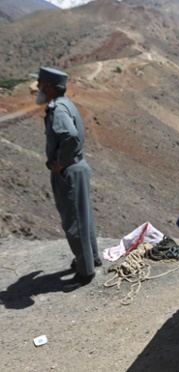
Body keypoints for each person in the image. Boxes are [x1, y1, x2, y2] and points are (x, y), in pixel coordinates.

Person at [32, 67, 101, 293]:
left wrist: (61, 161)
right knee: (83, 216)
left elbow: (70, 136)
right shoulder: (65, 103)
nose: (37, 87)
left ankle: (85, 272)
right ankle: (91, 258)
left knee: (74, 222)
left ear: (49, 86)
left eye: (40, 83)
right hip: (77, 167)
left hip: (69, 170)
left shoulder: (57, 109)